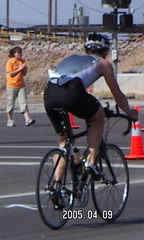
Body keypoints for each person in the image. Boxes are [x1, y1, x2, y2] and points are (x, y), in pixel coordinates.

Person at [44, 33, 138, 201]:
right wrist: (129, 112)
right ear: (105, 51)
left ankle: (56, 187)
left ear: (86, 49)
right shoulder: (103, 63)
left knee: (64, 144)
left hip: (50, 93)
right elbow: (116, 93)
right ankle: (91, 162)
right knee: (98, 117)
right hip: (72, 92)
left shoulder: (72, 58)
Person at [5, 46, 35, 127]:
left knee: (23, 102)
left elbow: (24, 74)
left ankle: (27, 119)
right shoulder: (10, 62)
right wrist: (19, 68)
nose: (20, 54)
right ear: (14, 54)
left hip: (21, 85)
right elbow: (11, 74)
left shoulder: (22, 61)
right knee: (11, 103)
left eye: (21, 52)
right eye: (18, 53)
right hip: (11, 85)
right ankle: (10, 120)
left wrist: (24, 68)